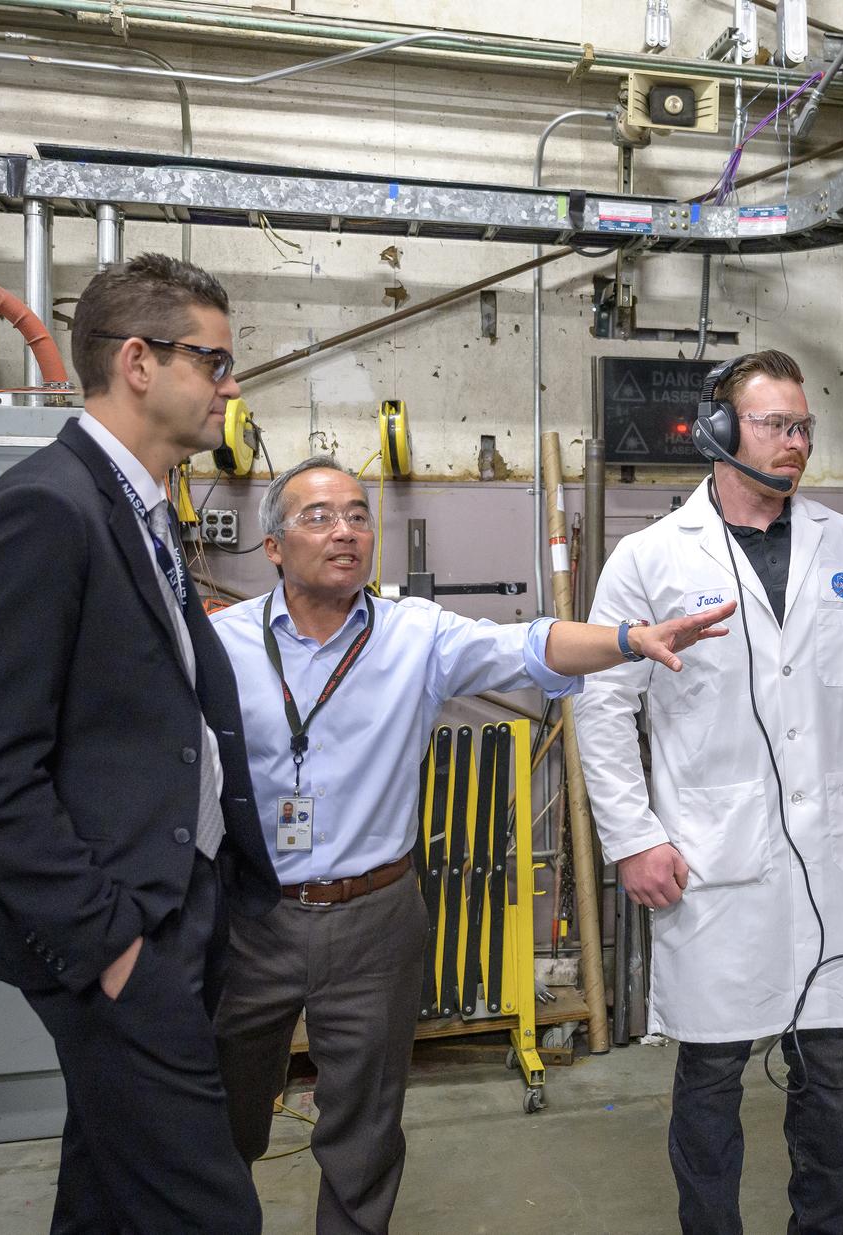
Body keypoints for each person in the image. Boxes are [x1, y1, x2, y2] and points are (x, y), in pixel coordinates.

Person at [209, 456, 733, 1235]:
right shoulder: (219, 643)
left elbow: (530, 644)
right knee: (219, 1120)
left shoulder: (414, 635)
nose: (345, 530)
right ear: (274, 547)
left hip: (374, 917)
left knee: (364, 1134)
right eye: (318, 516)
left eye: (357, 514)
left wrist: (628, 638)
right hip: (250, 915)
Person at [0, 254, 278, 1235]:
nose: (230, 386)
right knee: (208, 1205)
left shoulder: (140, 506)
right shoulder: (46, 507)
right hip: (116, 925)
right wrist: (109, 945)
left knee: (109, 1186)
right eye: (213, 361)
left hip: (175, 899)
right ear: (137, 361)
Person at [575, 349, 843, 1234]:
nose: (797, 443)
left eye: (804, 427)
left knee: (830, 1068)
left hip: (831, 852)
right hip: (712, 857)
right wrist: (633, 837)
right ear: (719, 431)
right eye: (777, 425)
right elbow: (603, 704)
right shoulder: (650, 557)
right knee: (711, 1074)